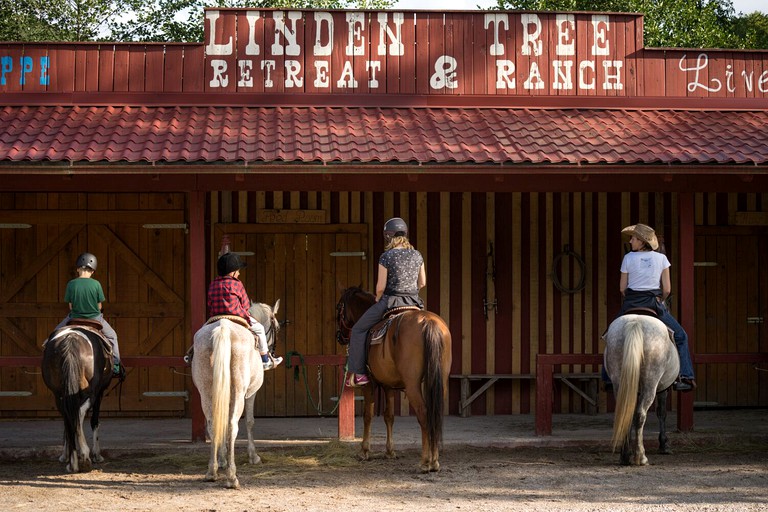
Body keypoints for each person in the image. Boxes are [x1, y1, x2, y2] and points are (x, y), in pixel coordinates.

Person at [611, 223, 697, 392]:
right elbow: (667, 289)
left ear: (642, 241)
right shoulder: (662, 259)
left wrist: (632, 297)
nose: (630, 241)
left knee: (609, 336)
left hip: (631, 303)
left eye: (633, 238)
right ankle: (686, 376)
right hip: (653, 303)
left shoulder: (628, 258)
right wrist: (660, 300)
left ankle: (607, 377)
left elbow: (622, 288)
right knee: (680, 336)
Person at [346, 217, 426, 387]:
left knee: (359, 329)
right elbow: (423, 282)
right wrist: (412, 291)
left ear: (388, 237)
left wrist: (377, 298)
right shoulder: (417, 255)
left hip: (391, 301)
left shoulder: (386, 256)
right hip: (413, 302)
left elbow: (381, 287)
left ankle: (359, 374)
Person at [185, 252, 282, 370]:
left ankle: (191, 354)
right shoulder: (237, 284)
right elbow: (246, 305)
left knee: (199, 334)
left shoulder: (213, 284)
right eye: (238, 270)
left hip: (217, 317)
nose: (239, 273)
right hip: (237, 316)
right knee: (260, 329)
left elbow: (210, 303)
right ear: (233, 272)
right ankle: (265, 360)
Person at [54, 252, 123, 378]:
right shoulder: (96, 284)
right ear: (92, 271)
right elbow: (99, 306)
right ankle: (117, 365)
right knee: (113, 336)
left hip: (74, 317)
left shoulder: (71, 284)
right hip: (94, 318)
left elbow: (70, 306)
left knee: (55, 334)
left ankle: (49, 354)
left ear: (77, 269)